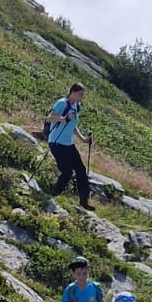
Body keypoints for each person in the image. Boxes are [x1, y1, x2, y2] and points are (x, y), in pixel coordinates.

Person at [46, 82, 93, 210]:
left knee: (81, 171)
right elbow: (49, 118)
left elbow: (73, 125)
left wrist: (83, 139)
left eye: (82, 95)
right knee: (67, 172)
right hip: (56, 142)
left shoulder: (76, 106)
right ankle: (53, 195)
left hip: (68, 144)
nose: (81, 97)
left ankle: (84, 201)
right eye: (79, 94)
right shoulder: (62, 103)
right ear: (72, 92)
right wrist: (64, 118)